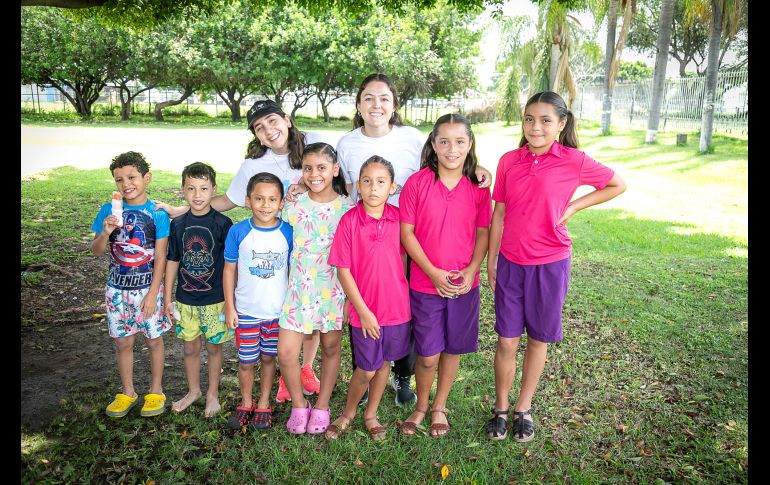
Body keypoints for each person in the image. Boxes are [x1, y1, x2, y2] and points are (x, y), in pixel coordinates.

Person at [335, 73, 495, 408]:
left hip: (408, 240)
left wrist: (478, 169)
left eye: (384, 98)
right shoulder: (347, 144)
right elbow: (341, 185)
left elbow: (451, 156)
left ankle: (403, 376)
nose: (376, 104)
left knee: (403, 315)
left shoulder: (411, 137)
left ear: (394, 104)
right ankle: (366, 372)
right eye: (368, 98)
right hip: (372, 236)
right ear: (358, 104)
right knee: (372, 304)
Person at [155, 99, 322, 403]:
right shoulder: (253, 166)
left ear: (287, 119)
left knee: (307, 308)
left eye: (272, 121)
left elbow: (330, 180)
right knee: (281, 304)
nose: (268, 130)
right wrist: (181, 210)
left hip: (310, 241)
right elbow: (226, 201)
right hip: (270, 244)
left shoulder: (312, 145)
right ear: (256, 135)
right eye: (259, 127)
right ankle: (284, 374)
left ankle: (305, 367)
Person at [485, 91, 626, 442]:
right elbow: (499, 213)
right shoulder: (509, 161)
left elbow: (616, 184)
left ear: (561, 124)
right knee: (506, 340)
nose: (536, 127)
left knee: (538, 338)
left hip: (550, 264)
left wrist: (574, 206)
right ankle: (501, 408)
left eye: (546, 120)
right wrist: (491, 259)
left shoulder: (574, 160)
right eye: (529, 119)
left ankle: (523, 408)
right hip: (511, 263)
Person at [398, 114, 492, 438]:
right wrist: (433, 273)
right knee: (427, 354)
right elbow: (407, 234)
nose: (452, 149)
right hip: (426, 283)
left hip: (464, 284)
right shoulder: (417, 183)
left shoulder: (478, 187)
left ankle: (439, 405)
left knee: (453, 349)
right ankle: (421, 406)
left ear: (470, 144)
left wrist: (471, 270)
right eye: (445, 141)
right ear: (434, 145)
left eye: (460, 141)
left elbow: (483, 232)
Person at [324, 156, 411, 441]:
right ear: (358, 186)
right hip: (365, 309)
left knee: (384, 363)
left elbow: (404, 257)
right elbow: (343, 270)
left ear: (392, 187)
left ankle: (371, 414)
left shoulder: (400, 219)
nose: (373, 187)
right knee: (366, 368)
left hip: (396, 308)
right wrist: (362, 311)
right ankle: (348, 413)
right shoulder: (350, 221)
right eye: (367, 181)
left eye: (381, 182)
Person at [278, 142, 356, 435]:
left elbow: (355, 258)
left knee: (331, 347)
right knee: (286, 352)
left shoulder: (348, 209)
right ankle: (300, 405)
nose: (314, 174)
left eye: (321, 168)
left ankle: (322, 405)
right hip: (299, 289)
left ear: (335, 169)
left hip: (333, 289)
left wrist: (350, 299)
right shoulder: (294, 205)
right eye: (307, 168)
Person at [91, 151, 172, 418]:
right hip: (117, 290)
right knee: (123, 343)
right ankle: (127, 392)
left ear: (146, 178)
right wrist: (105, 232)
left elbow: (161, 255)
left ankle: (156, 391)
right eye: (119, 179)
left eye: (132, 177)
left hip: (148, 289)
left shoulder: (157, 214)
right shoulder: (108, 210)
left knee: (154, 341)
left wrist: (153, 294)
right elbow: (96, 251)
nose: (126, 184)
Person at [222, 172, 293, 430]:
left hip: (276, 312)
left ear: (281, 203)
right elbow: (229, 270)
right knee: (246, 361)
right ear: (248, 200)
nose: (265, 205)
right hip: (246, 311)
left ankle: (263, 402)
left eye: (272, 199)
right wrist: (230, 306)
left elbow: (292, 271)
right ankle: (246, 402)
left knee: (268, 359)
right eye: (259, 198)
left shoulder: (288, 232)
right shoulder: (238, 231)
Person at [162, 162, 233, 418]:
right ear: (183, 190)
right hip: (186, 299)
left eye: (203, 188)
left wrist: (230, 300)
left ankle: (212, 394)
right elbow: (173, 260)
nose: (197, 194)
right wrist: (168, 297)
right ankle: (194, 391)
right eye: (191, 188)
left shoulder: (223, 223)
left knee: (214, 348)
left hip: (215, 299)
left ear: (214, 189)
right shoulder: (178, 224)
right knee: (190, 348)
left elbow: (231, 265)